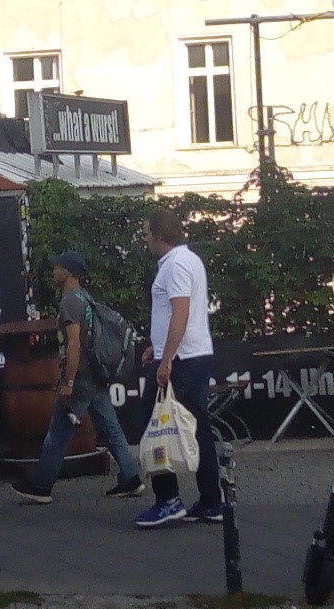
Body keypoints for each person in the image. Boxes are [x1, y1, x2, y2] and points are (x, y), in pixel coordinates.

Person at [13, 252, 148, 504]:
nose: (53, 272)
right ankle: (131, 478)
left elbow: (74, 346)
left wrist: (68, 383)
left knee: (58, 432)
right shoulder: (85, 298)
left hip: (81, 378)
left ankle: (41, 487)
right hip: (94, 375)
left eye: (57, 268)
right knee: (111, 428)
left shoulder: (69, 303)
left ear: (67, 272)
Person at [138, 206, 227, 529]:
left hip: (181, 359)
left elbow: (180, 312)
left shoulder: (174, 264)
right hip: (192, 354)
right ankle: (211, 502)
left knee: (153, 421)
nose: (145, 239)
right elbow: (178, 314)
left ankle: (168, 499)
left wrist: (166, 358)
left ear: (160, 235)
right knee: (196, 427)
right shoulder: (189, 260)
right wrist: (158, 345)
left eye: (147, 233)